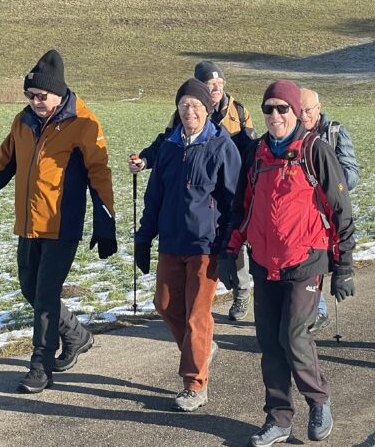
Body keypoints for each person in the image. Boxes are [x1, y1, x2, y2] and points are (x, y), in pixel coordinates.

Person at [0, 49, 116, 394]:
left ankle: (40, 366)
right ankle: (76, 335)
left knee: (46, 296)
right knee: (30, 289)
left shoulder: (83, 123)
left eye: (41, 95)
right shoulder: (23, 122)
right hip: (29, 223)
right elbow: (4, 163)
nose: (35, 102)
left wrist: (105, 222)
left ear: (58, 93)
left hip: (63, 225)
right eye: (30, 95)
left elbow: (99, 173)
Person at [217, 80, 356, 446]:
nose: (275, 115)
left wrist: (344, 266)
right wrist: (229, 252)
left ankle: (318, 400)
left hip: (305, 260)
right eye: (269, 109)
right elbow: (241, 208)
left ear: (296, 112)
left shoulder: (315, 150)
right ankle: (278, 418)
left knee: (294, 336)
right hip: (265, 263)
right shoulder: (257, 153)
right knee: (269, 342)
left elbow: (340, 210)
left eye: (283, 108)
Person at [133, 78, 240, 412]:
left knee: (197, 315)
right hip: (171, 241)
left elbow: (235, 202)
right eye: (183, 106)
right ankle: (203, 349)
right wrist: (143, 237)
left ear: (207, 110)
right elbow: (154, 197)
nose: (189, 111)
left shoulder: (222, 147)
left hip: (206, 245)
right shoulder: (169, 146)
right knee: (165, 305)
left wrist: (230, 246)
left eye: (195, 106)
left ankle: (194, 385)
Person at [130, 61, 256, 322]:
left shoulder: (239, 111)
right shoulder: (183, 113)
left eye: (220, 83)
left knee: (235, 247)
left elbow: (250, 147)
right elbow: (166, 143)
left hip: (229, 184)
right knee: (174, 306)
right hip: (188, 206)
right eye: (211, 84)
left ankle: (241, 292)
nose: (217, 88)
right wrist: (146, 159)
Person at [297, 87, 360, 335]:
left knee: (320, 260)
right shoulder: (290, 134)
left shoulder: (335, 133)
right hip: (300, 213)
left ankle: (318, 310)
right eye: (299, 110)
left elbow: (351, 175)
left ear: (318, 108)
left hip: (327, 212)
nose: (303, 116)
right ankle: (312, 310)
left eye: (308, 110)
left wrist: (328, 179)